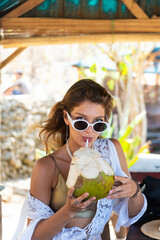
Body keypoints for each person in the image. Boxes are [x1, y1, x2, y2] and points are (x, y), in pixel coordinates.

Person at [12, 79, 147, 240]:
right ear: (66, 117)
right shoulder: (47, 167)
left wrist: (134, 191)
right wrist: (68, 211)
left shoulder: (111, 151)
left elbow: (132, 214)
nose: (90, 131)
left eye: (98, 123)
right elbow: (35, 237)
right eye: (81, 122)